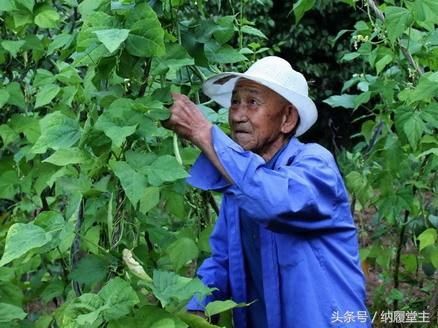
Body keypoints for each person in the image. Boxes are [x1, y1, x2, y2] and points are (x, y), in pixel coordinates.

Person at [163, 56, 370, 328]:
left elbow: (274, 201)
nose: (237, 114)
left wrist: (203, 132)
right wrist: (194, 305)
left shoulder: (316, 166)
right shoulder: (240, 184)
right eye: (235, 101)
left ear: (287, 118)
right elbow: (223, 261)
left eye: (252, 102)